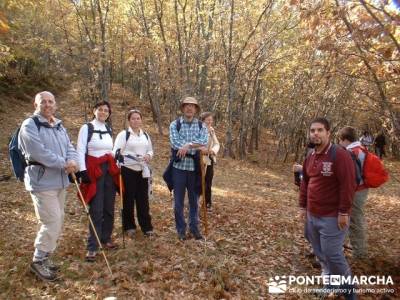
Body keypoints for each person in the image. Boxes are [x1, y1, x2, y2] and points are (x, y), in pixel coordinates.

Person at [18, 91, 79, 281]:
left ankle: (45, 257)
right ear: (35, 105)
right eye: (43, 101)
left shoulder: (59, 126)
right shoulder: (30, 125)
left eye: (50, 101)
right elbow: (38, 153)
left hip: (60, 180)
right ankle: (37, 261)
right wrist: (64, 163)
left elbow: (70, 147)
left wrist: (73, 161)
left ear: (55, 104)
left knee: (58, 219)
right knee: (51, 220)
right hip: (42, 181)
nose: (47, 104)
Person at [299, 117, 357, 299]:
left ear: (328, 133)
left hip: (333, 216)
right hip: (312, 215)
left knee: (332, 254)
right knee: (320, 252)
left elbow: (348, 185)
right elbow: (305, 183)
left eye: (320, 130)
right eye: (312, 130)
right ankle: (331, 283)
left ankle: (350, 292)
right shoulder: (310, 157)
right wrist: (302, 207)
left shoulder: (339, 155)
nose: (315, 133)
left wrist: (343, 212)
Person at [76, 101, 119, 262]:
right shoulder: (87, 128)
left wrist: (117, 155)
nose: (103, 112)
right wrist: (82, 170)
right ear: (94, 111)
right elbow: (80, 149)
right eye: (100, 109)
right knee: (96, 208)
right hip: (94, 170)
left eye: (106, 110)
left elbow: (110, 150)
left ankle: (106, 238)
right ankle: (92, 246)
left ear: (109, 113)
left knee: (109, 206)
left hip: (109, 170)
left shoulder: (108, 128)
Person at [169, 96, 208, 241]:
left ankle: (194, 228)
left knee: (194, 201)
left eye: (192, 106)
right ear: (182, 108)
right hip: (178, 167)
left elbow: (204, 141)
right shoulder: (175, 124)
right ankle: (181, 230)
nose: (189, 108)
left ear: (196, 109)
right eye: (186, 105)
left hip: (195, 168)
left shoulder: (201, 126)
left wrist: (188, 145)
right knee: (178, 202)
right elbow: (174, 142)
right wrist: (195, 145)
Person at [113, 109, 154, 238]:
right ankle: (129, 226)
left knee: (143, 200)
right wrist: (120, 156)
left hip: (142, 171)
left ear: (141, 120)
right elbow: (115, 151)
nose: (136, 121)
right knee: (128, 199)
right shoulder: (124, 135)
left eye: (138, 118)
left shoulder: (145, 135)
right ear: (129, 121)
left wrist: (148, 155)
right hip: (127, 171)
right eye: (133, 118)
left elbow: (151, 150)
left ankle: (146, 227)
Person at [339, 126, 369, 260]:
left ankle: (360, 253)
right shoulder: (363, 149)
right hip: (362, 188)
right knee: (355, 218)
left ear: (345, 139)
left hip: (355, 190)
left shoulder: (351, 152)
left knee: (353, 220)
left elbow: (347, 175)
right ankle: (357, 250)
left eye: (340, 140)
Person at [200, 112, 220, 211]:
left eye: (211, 120)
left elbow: (217, 144)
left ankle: (207, 203)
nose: (210, 122)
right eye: (208, 120)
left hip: (209, 158)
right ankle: (194, 202)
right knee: (199, 181)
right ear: (203, 120)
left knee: (208, 181)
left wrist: (213, 150)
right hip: (199, 158)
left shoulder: (212, 131)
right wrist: (202, 150)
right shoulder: (198, 130)